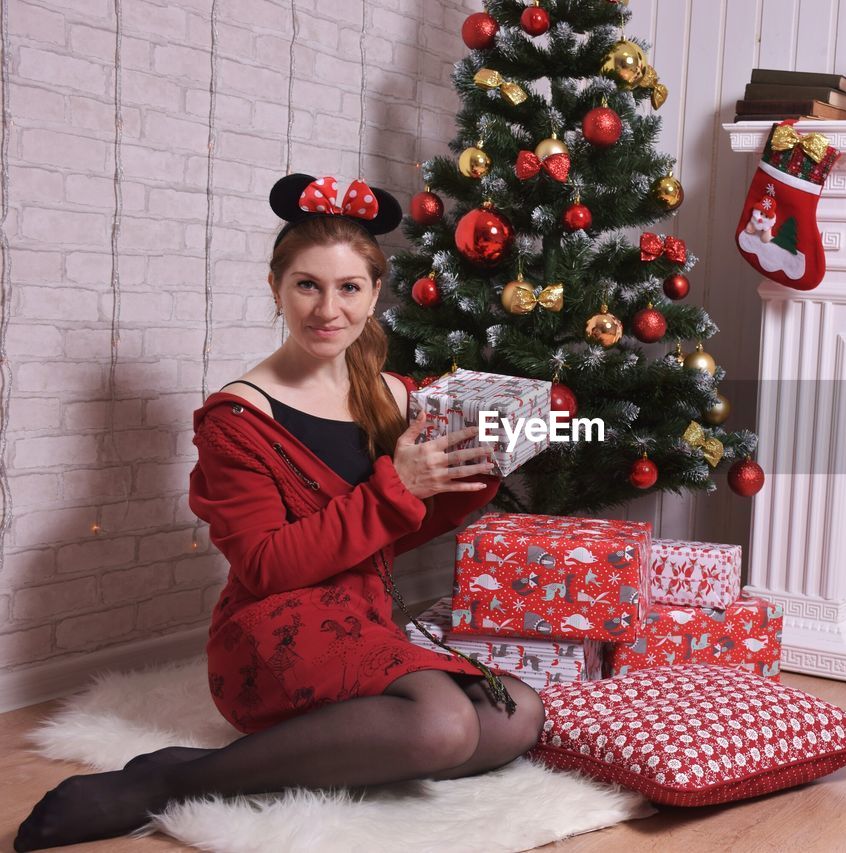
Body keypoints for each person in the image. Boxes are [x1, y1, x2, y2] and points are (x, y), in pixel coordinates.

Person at [16, 174, 544, 851]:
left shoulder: (393, 394)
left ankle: (314, 754)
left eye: (349, 287)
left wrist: (471, 473)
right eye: (307, 285)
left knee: (515, 715)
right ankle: (176, 779)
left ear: (374, 293)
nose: (328, 309)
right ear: (276, 289)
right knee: (443, 726)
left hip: (363, 620)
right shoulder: (236, 418)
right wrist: (397, 486)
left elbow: (399, 529)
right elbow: (266, 565)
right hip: (272, 631)